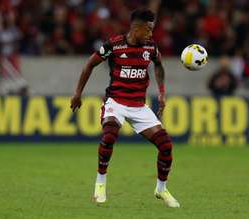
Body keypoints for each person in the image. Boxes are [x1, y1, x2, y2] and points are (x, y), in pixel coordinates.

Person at [70, 9, 180, 208]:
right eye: (148, 29)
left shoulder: (151, 47)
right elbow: (89, 65)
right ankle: (100, 184)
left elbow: (159, 65)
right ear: (136, 28)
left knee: (166, 147)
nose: (151, 34)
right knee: (110, 135)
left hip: (139, 105)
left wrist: (162, 92)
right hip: (116, 102)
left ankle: (161, 189)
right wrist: (77, 94)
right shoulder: (114, 45)